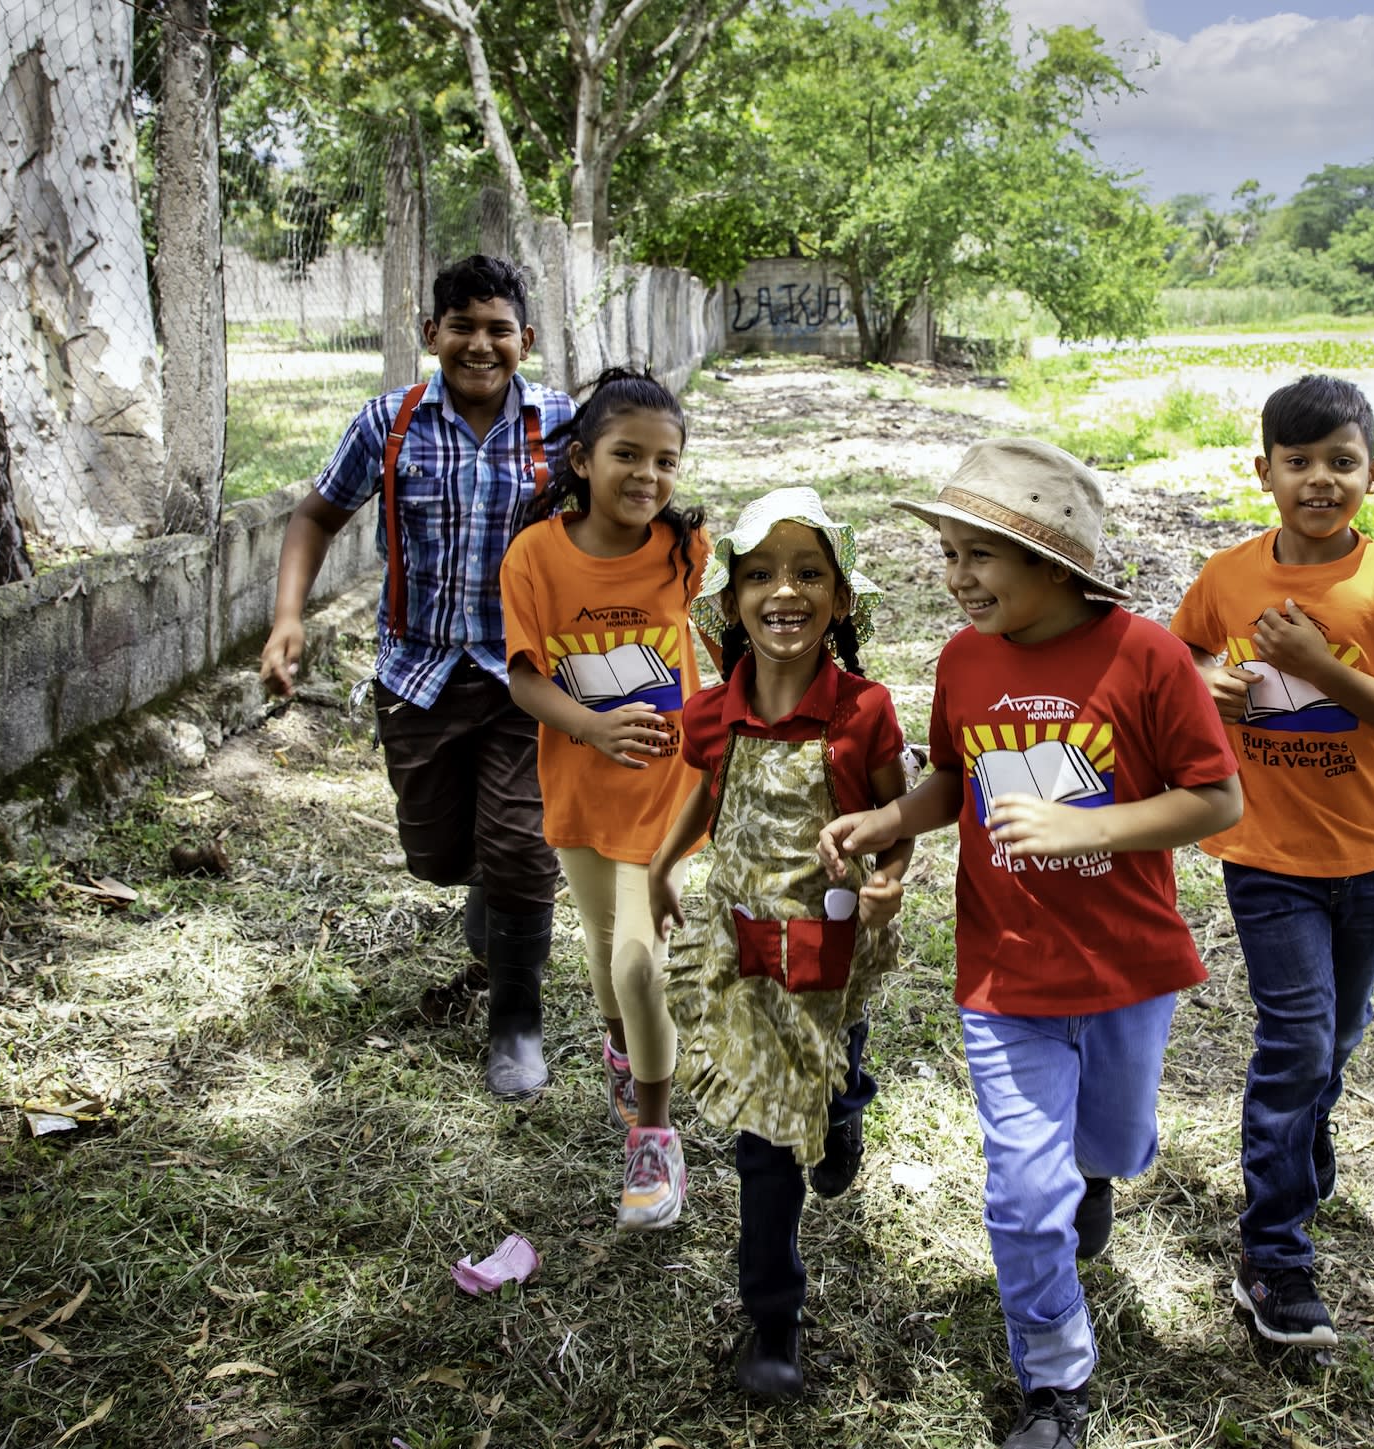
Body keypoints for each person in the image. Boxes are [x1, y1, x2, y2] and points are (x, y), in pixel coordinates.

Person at [819, 439, 1242, 1449]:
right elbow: (958, 778)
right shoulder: (965, 661)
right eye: (950, 554)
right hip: (1005, 973)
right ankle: (1054, 1383)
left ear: (1055, 563)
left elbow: (1215, 797)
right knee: (1020, 1192)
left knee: (1112, 1142)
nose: (959, 578)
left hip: (1129, 969)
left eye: (982, 556)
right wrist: (894, 820)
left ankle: (1095, 1175)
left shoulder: (1146, 657)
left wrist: (1085, 828)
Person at [1168, 374, 1374, 1348]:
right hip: (1266, 854)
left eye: (1341, 462)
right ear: (1264, 473)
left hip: (1369, 854)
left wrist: (1326, 670)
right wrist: (1214, 686)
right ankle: (1275, 1260)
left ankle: (1299, 1146)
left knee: (1335, 1041)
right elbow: (1170, 677)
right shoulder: (1225, 578)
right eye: (1299, 463)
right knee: (1296, 1044)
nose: (1321, 481)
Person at [259, 254, 572, 1091]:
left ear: (526, 340)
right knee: (438, 854)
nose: (480, 345)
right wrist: (288, 619)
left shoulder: (560, 426)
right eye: (461, 327)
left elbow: (625, 503)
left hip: (525, 677)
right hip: (418, 674)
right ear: (428, 332)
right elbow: (316, 515)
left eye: (498, 329)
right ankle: (491, 890)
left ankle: (516, 1021)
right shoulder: (387, 424)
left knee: (521, 845)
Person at [648, 487, 911, 1400]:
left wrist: (889, 872)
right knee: (763, 1139)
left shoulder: (863, 710)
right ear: (730, 604)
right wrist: (664, 858)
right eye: (759, 575)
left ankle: (844, 1109)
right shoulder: (716, 708)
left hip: (836, 948)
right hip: (745, 945)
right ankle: (774, 1321)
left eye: (807, 572)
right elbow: (703, 786)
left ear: (840, 599)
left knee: (834, 1066)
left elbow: (892, 808)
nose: (782, 591)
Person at [499, 366, 711, 1232]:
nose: (649, 478)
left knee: (638, 959)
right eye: (628, 455)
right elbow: (523, 680)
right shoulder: (535, 556)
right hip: (581, 786)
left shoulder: (684, 551)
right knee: (599, 950)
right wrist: (590, 726)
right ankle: (623, 1047)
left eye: (666, 462)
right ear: (583, 460)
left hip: (668, 791)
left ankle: (654, 1137)